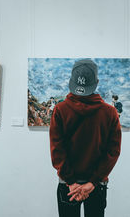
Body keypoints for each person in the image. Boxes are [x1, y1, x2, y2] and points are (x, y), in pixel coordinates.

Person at [50, 59, 122, 217]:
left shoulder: (60, 110)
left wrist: (71, 182)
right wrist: (93, 182)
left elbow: (57, 151)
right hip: (97, 184)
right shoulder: (109, 113)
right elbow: (113, 152)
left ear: (71, 81)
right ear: (96, 82)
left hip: (68, 186)